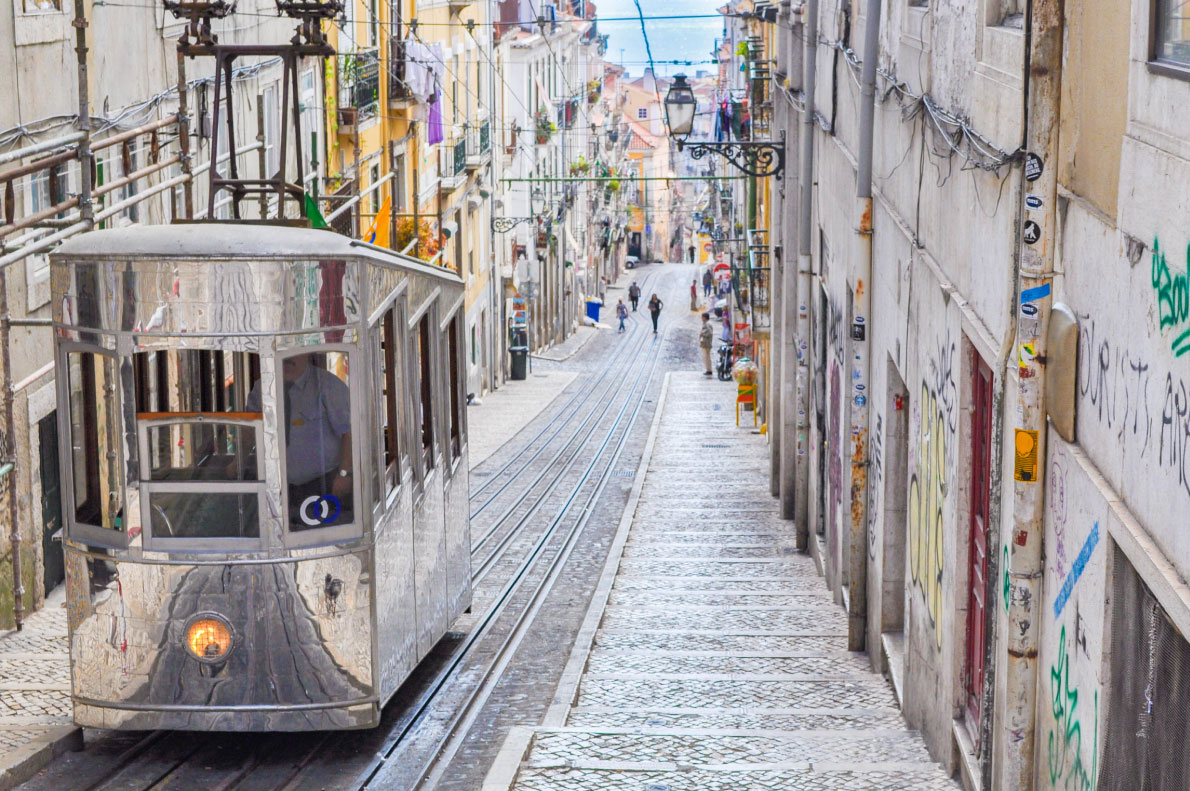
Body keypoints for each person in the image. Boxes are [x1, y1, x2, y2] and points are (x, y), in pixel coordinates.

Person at [245, 353, 353, 528]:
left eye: (293, 353)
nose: (287, 358)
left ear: (306, 354)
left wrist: (344, 474)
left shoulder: (328, 386)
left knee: (319, 538)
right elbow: (250, 429)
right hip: (276, 487)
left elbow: (349, 432)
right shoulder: (263, 388)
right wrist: (238, 462)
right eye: (282, 352)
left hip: (322, 485)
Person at [699, 312, 714, 376]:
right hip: (705, 343)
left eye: (702, 317)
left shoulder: (707, 324)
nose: (701, 318)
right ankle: (708, 369)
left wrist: (703, 334)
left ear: (704, 317)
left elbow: (710, 333)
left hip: (706, 343)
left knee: (707, 357)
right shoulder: (706, 323)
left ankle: (709, 370)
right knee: (706, 357)